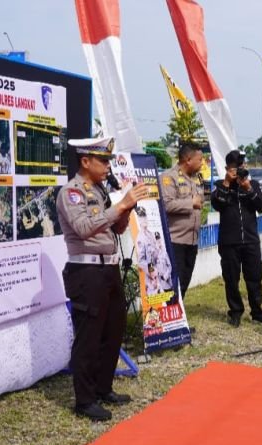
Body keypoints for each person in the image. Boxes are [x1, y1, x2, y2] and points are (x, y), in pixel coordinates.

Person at [57, 136, 149, 422]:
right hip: (86, 272)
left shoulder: (98, 190)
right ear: (85, 161)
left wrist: (126, 209)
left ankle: (102, 387)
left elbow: (115, 229)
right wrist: (119, 208)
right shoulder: (72, 192)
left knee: (113, 329)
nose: (108, 166)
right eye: (103, 160)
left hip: (108, 270)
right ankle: (84, 400)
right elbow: (84, 227)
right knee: (89, 336)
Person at [211, 150, 262, 327]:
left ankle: (257, 311)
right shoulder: (220, 186)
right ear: (227, 169)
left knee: (255, 277)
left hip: (250, 240)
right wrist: (227, 182)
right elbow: (218, 204)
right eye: (236, 168)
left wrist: (248, 188)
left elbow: (261, 207)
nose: (240, 170)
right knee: (231, 279)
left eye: (242, 166)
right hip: (229, 242)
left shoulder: (252, 184)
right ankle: (235, 312)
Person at [161, 142, 204, 299]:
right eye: (200, 159)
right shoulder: (168, 177)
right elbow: (166, 204)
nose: (202, 163)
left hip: (191, 240)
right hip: (176, 241)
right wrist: (190, 203)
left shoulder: (197, 178)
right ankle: (170, 321)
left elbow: (201, 201)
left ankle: (179, 320)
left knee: (184, 282)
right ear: (188, 159)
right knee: (173, 284)